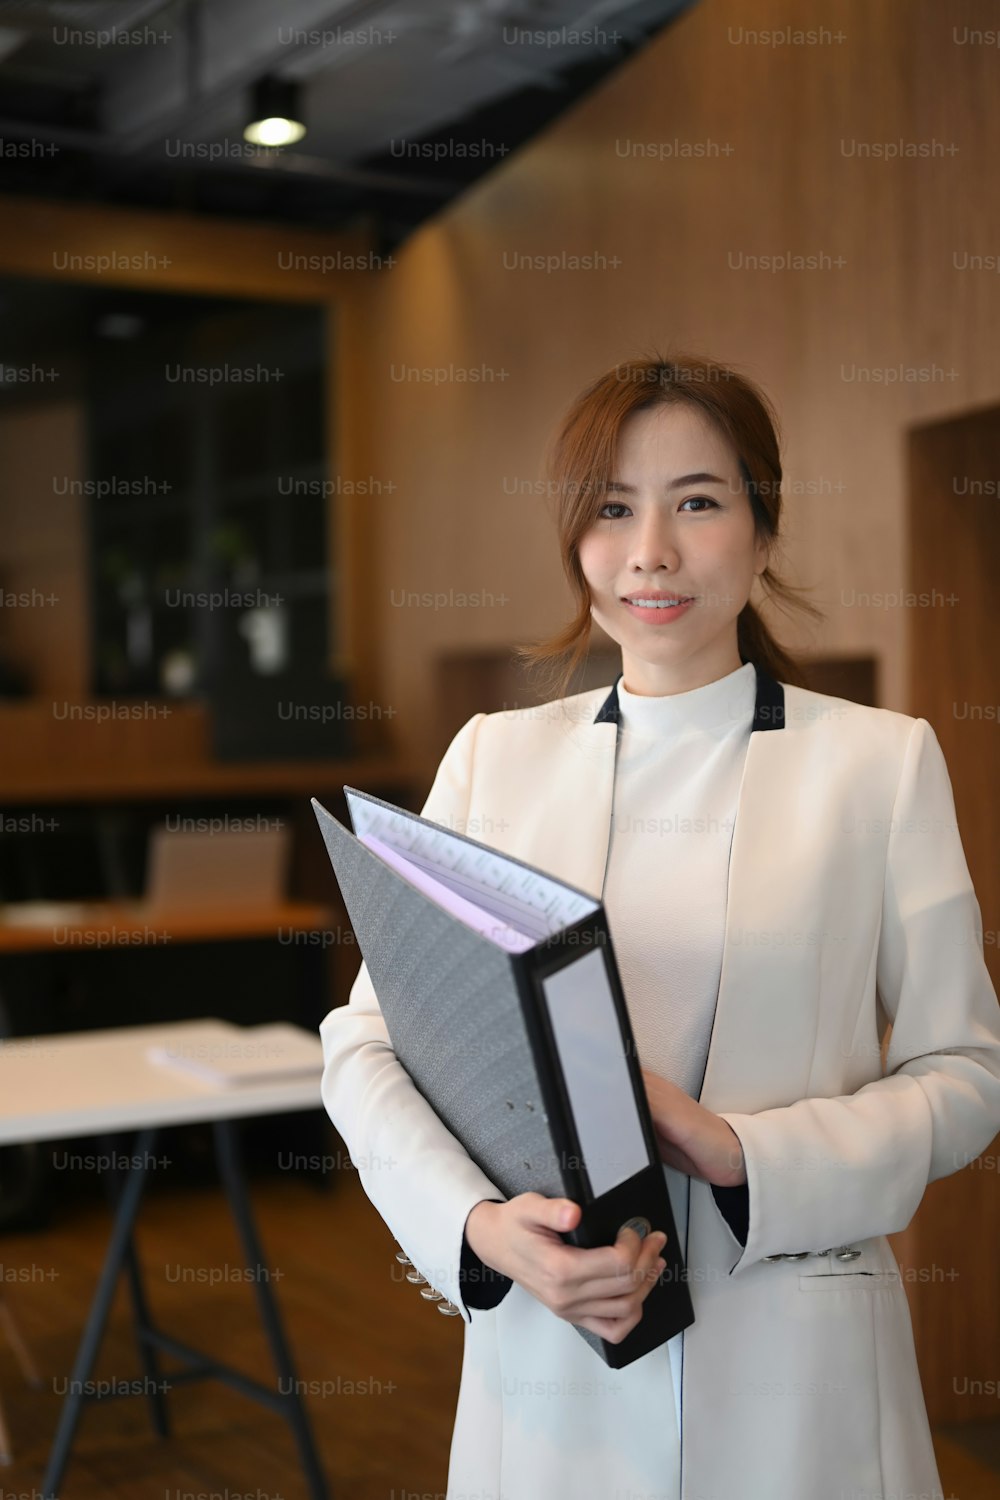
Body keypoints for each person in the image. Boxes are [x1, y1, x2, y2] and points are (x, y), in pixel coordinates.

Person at [319, 354, 1000, 1500]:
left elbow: (966, 1075)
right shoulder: (494, 757)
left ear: (763, 529)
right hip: (553, 1349)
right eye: (612, 509)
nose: (651, 553)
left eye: (698, 501)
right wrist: (482, 1230)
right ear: (576, 541)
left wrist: (743, 1153)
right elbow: (365, 1046)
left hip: (797, 1359)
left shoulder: (879, 764)